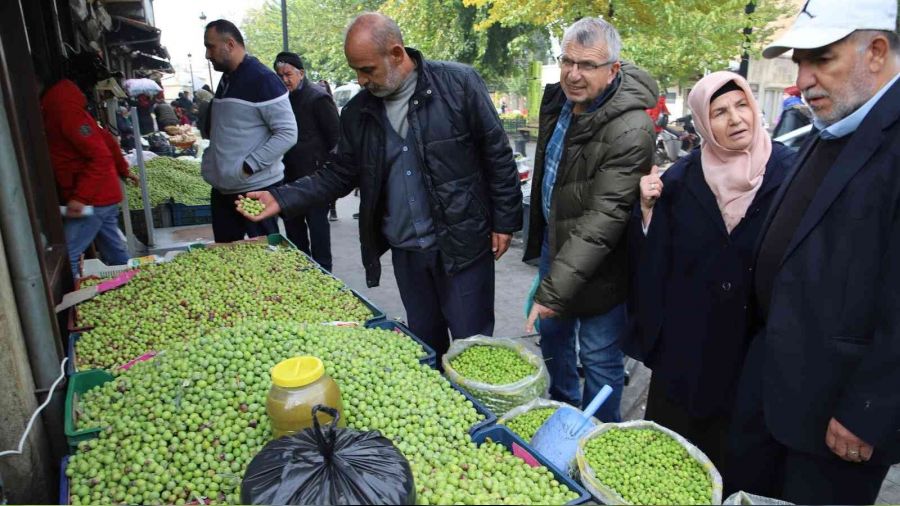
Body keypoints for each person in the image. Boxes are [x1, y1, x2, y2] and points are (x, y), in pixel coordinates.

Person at [238, 12, 522, 363]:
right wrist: (281, 197)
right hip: (407, 253)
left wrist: (504, 222)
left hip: (462, 245)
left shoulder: (459, 85)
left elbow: (496, 153)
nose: (359, 80)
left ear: (397, 54)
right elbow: (338, 173)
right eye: (356, 70)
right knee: (427, 347)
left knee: (474, 350)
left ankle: (482, 412)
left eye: (367, 70)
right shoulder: (358, 113)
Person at [727, 0, 900, 503]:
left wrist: (867, 409)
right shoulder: (834, 128)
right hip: (774, 391)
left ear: (876, 51)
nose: (803, 78)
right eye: (799, 62)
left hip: (838, 420)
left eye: (821, 58)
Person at [623, 72, 796, 469]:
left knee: (738, 461)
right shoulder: (680, 181)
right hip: (688, 352)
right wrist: (647, 213)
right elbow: (654, 264)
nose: (735, 119)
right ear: (702, 122)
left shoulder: (790, 173)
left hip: (753, 352)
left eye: (741, 106)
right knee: (673, 463)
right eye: (719, 112)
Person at [522, 17, 656, 423]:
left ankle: (597, 436)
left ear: (613, 69)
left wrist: (551, 292)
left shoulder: (632, 128)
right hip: (557, 246)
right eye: (567, 61)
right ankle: (564, 412)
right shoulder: (559, 99)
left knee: (599, 358)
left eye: (587, 65)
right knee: (554, 340)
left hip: (604, 264)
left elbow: (603, 219)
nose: (573, 74)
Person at [39, 52, 139, 277]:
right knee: (115, 252)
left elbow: (100, 154)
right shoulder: (63, 105)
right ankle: (135, 283)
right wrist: (123, 170)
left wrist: (80, 198)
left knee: (69, 254)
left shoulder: (62, 108)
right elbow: (105, 140)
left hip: (94, 199)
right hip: (102, 194)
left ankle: (75, 305)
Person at [201, 19, 297, 242]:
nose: (207, 54)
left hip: (255, 190)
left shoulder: (263, 79)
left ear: (230, 44)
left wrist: (248, 166)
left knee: (265, 258)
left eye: (210, 46)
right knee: (225, 257)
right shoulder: (227, 78)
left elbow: (287, 133)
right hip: (224, 189)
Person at [274, 52, 340, 272]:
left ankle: (325, 274)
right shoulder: (280, 99)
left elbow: (336, 138)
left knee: (318, 229)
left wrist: (330, 174)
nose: (284, 80)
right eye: (280, 75)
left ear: (301, 73)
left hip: (315, 179)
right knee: (294, 230)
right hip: (288, 179)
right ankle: (303, 271)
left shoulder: (318, 98)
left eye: (288, 74)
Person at [316, 78, 342, 222]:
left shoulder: (328, 105)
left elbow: (335, 133)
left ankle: (333, 208)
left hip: (328, 152)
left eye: (323, 86)